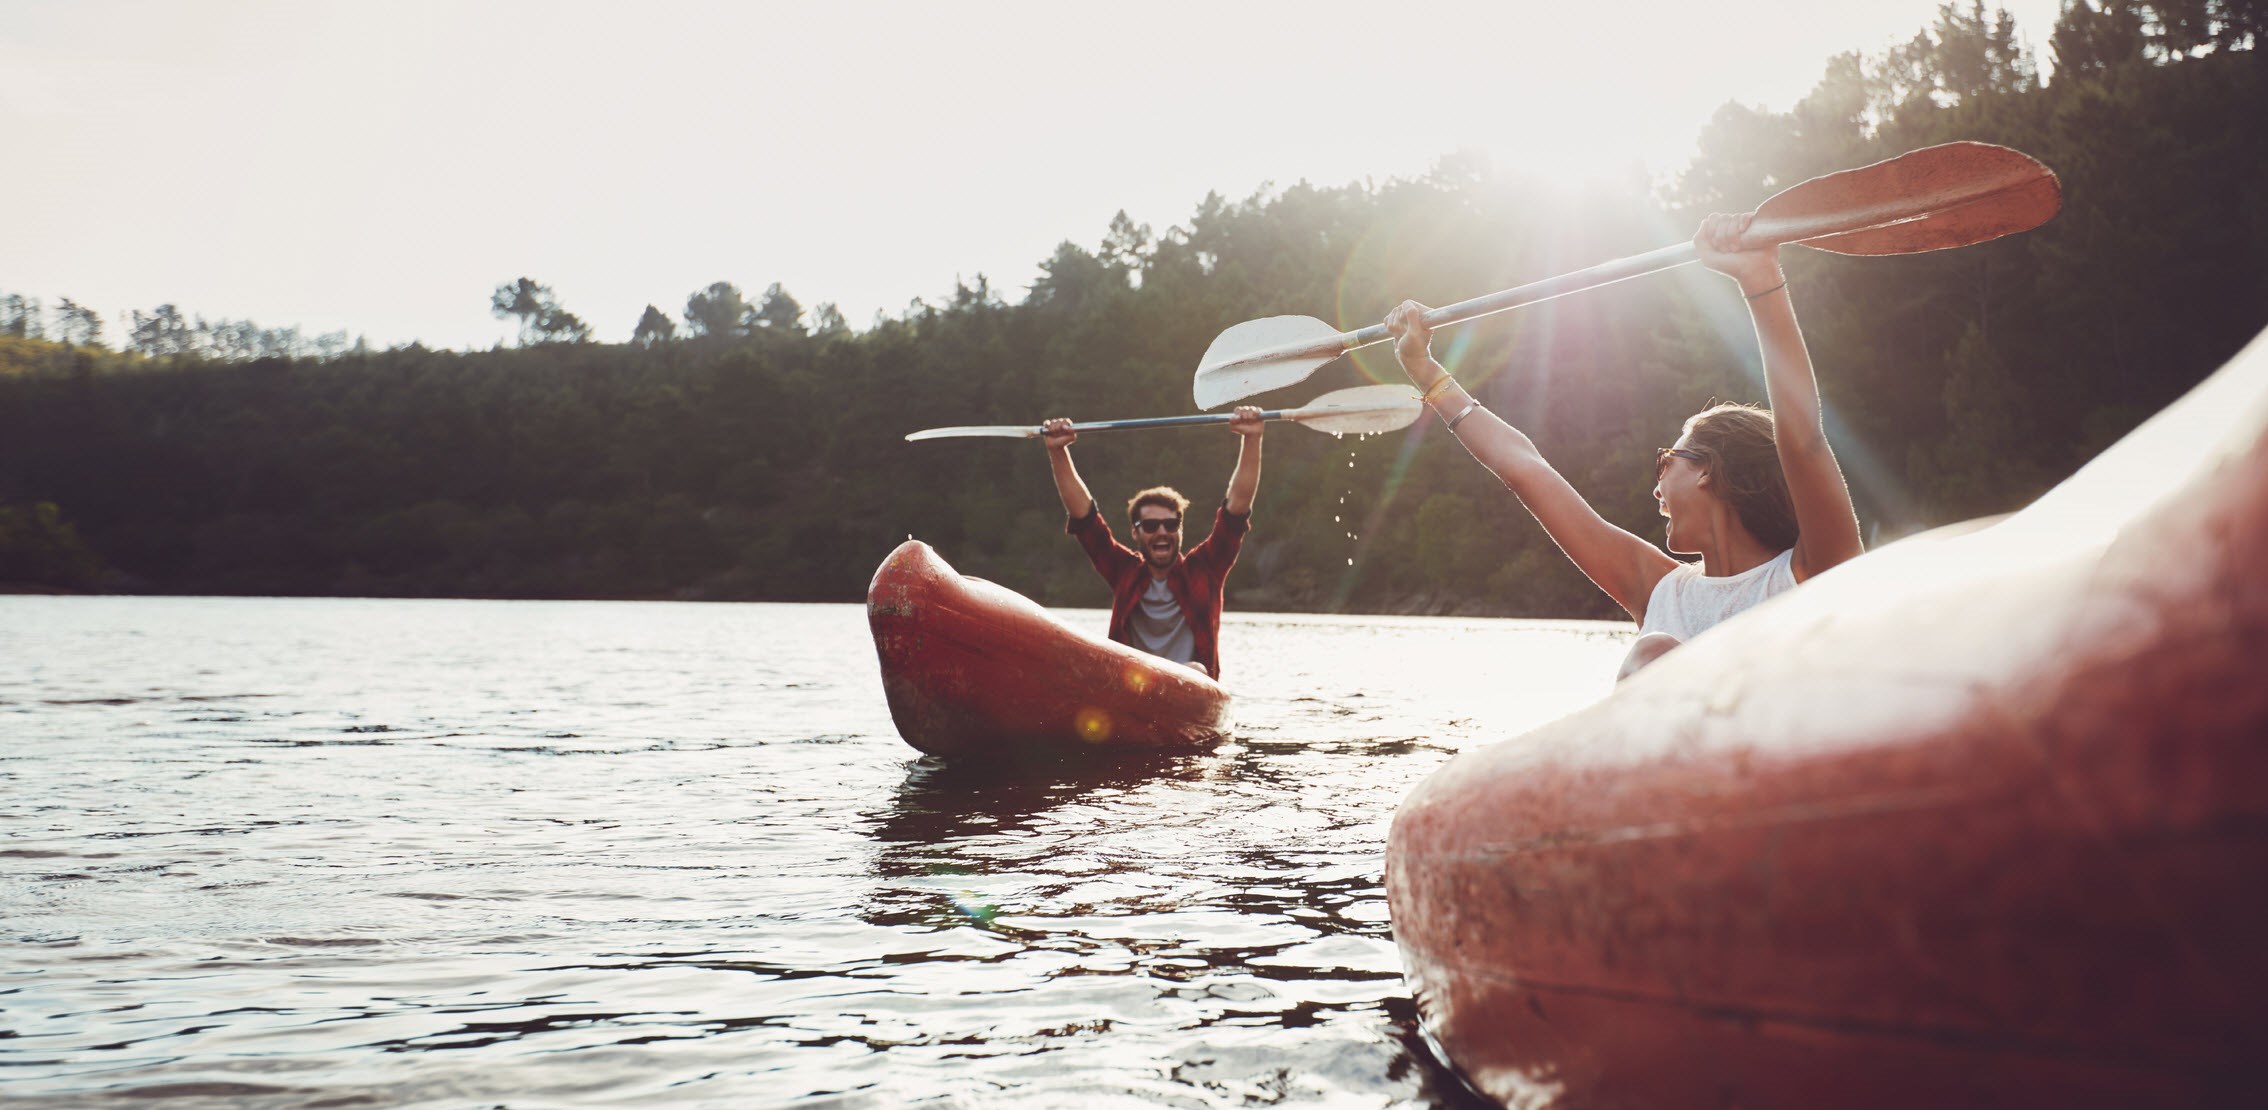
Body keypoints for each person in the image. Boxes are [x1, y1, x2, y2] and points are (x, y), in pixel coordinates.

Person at [1382, 212, 1866, 680]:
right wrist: (1424, 371)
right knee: (1654, 653)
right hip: (1668, 756)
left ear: (1706, 469)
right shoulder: (1659, 590)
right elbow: (1525, 470)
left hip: (1767, 754)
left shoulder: (1812, 571)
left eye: (1666, 460)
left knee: (1656, 652)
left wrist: (1759, 278)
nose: (1655, 486)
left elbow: (1801, 438)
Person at [1038, 406, 1265, 679]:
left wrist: (1252, 438)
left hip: (1191, 686)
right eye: (1149, 525)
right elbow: (1084, 518)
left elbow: (1236, 510)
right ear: (1135, 533)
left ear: (1180, 529)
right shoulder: (1123, 570)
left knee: (1194, 670)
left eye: (1170, 525)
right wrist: (1057, 451)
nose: (1161, 532)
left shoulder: (1206, 568)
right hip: (1134, 686)